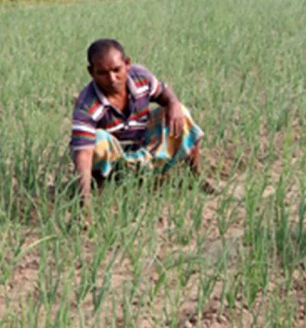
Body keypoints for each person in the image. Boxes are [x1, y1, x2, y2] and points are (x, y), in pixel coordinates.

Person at [69, 38, 210, 211]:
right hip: (116, 159)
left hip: (144, 145)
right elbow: (83, 154)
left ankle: (195, 176)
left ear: (127, 64)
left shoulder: (140, 77)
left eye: (117, 70)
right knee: (97, 141)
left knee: (180, 112)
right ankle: (102, 190)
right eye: (102, 73)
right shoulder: (87, 104)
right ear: (91, 72)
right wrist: (84, 202)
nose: (112, 78)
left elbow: (163, 93)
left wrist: (173, 103)